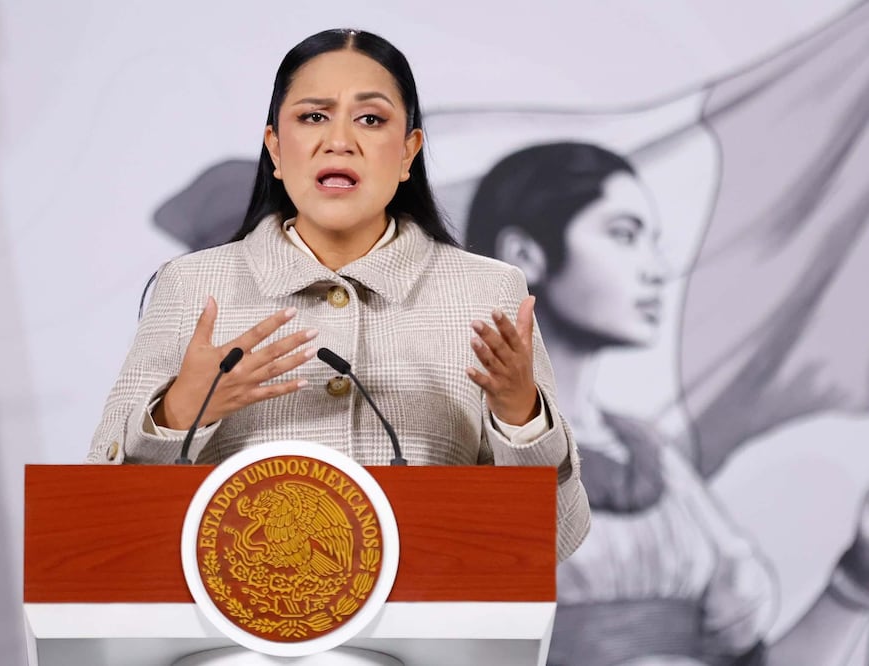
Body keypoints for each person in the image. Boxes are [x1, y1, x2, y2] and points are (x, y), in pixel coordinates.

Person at [86, 29, 590, 561]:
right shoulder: (194, 288)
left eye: (371, 119)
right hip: (239, 637)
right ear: (276, 148)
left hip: (421, 635)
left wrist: (519, 417)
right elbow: (100, 515)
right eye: (312, 117)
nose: (340, 140)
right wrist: (177, 413)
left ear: (408, 153)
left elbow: (558, 539)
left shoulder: (486, 291)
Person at [465, 141, 869, 665]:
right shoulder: (457, 444)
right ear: (524, 256)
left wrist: (858, 576)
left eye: (654, 242)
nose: (657, 269)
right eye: (624, 235)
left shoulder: (657, 461)